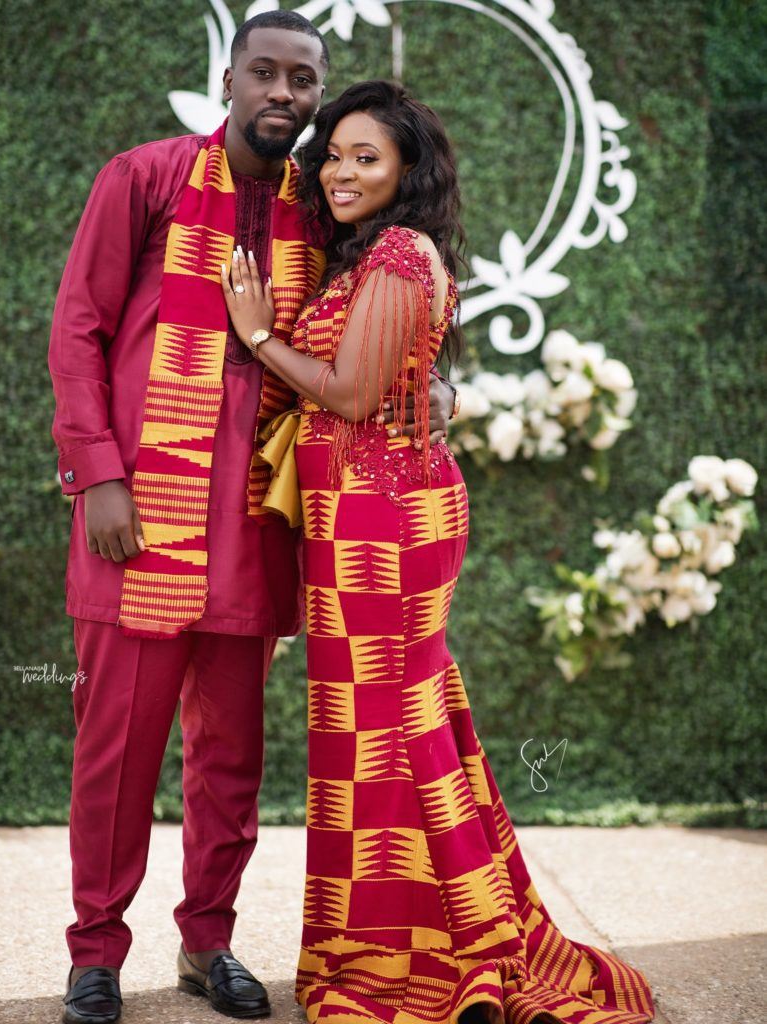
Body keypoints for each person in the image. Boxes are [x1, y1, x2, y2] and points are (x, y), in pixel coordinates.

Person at [48, 13, 461, 1023]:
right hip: (140, 520)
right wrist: (98, 475)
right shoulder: (144, 178)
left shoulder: (320, 212)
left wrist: (438, 388)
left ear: (318, 92)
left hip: (255, 529)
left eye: (302, 79)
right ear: (229, 78)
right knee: (116, 754)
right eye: (264, 73)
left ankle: (208, 942)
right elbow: (79, 327)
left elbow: (381, 324)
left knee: (229, 758)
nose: (283, 92)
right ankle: (95, 953)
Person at [220, 80, 657, 1024]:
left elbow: (347, 393)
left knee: (389, 728)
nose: (340, 172)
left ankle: (433, 945)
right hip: (355, 515)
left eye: (366, 158)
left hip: (386, 523)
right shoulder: (368, 255)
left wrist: (255, 335)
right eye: (334, 155)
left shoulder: (400, 252)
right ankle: (404, 932)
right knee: (374, 729)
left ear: (408, 170)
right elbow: (393, 380)